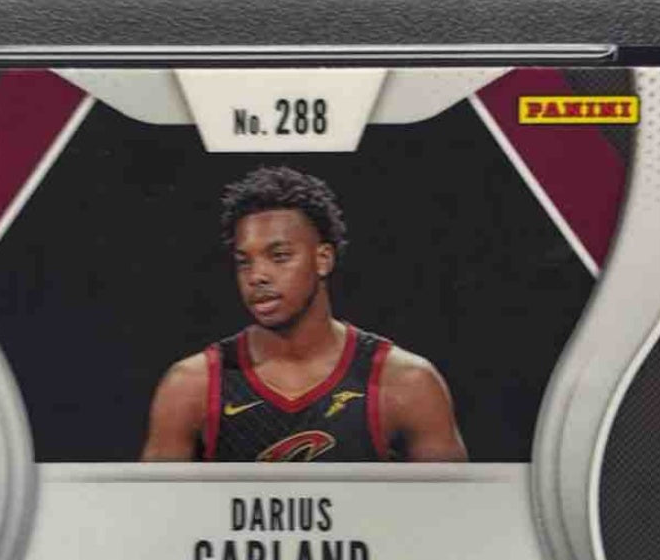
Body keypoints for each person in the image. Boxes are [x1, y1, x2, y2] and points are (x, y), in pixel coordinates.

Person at [141, 165, 467, 463]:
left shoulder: (406, 383)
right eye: (244, 262)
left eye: (279, 256)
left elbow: (453, 508)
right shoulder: (192, 386)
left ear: (323, 259)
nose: (257, 276)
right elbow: (157, 508)